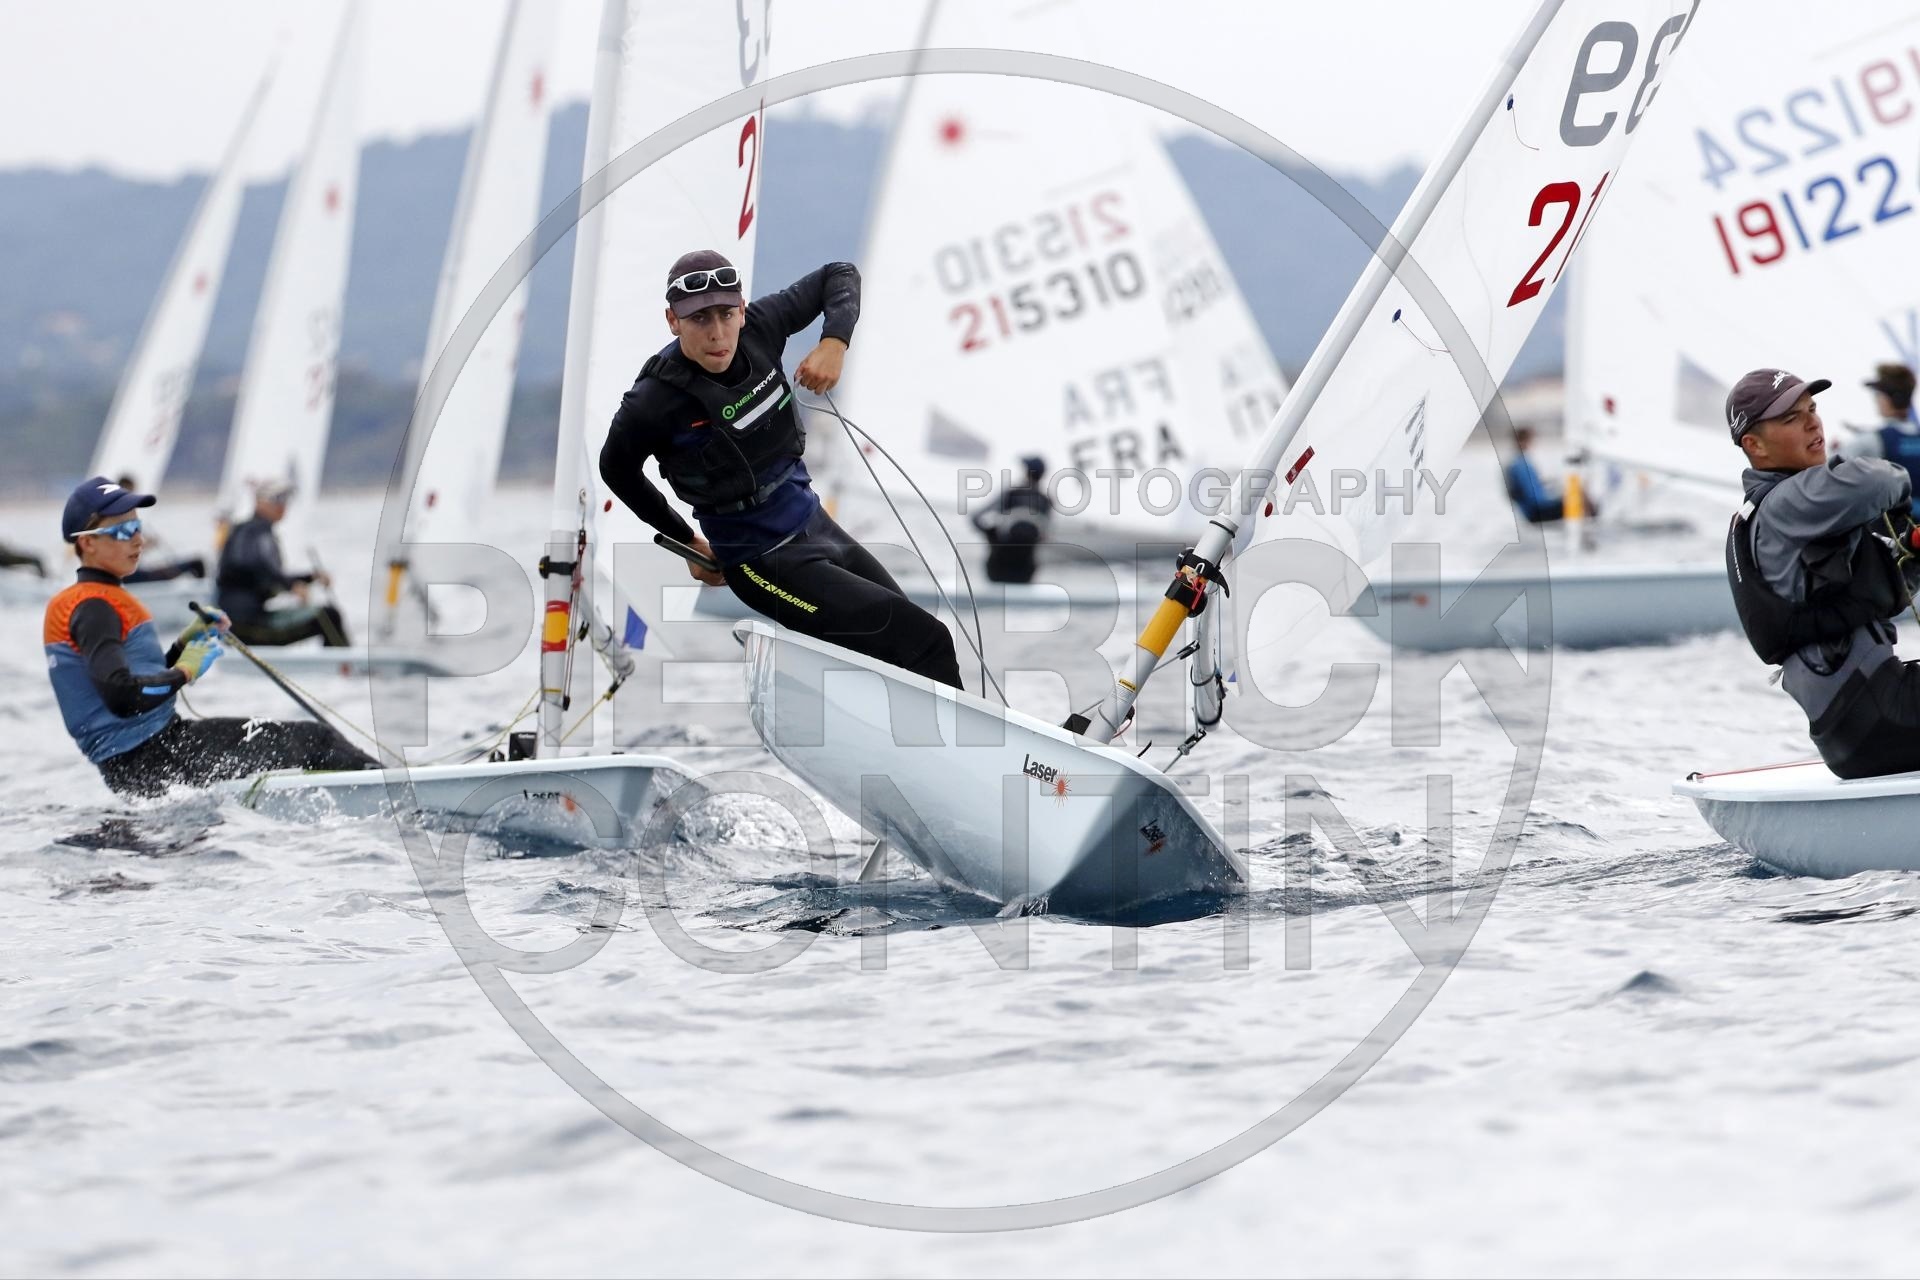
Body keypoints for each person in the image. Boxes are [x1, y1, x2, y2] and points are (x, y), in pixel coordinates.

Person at [599, 250, 962, 688]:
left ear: (742, 310)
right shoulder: (652, 401)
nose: (717, 333)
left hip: (816, 526)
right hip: (761, 561)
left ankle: (953, 730)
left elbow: (839, 274)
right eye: (698, 319)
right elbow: (615, 469)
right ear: (673, 321)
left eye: (726, 315)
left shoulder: (762, 326)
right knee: (927, 640)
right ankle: (964, 733)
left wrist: (834, 343)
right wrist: (685, 539)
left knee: (910, 650)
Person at [44, 476, 377, 798]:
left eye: (138, 527)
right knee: (317, 740)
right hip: (154, 755)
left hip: (143, 761)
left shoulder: (93, 600)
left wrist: (181, 647)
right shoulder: (94, 607)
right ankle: (392, 791)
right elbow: (121, 696)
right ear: (87, 543)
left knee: (304, 744)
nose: (138, 540)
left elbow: (128, 680)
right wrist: (184, 671)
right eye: (123, 531)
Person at [1722, 369, 1920, 780]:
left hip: (1856, 733)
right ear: (1754, 445)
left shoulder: (1775, 514)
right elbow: (1880, 480)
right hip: (1883, 718)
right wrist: (1899, 490)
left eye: (1812, 409)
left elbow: (1881, 594)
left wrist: (1911, 555)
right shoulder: (1789, 500)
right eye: (1792, 418)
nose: (1813, 423)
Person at [215, 480, 349, 647]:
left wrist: (311, 578)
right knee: (328, 616)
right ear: (259, 502)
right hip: (246, 625)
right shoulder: (256, 533)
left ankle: (339, 661)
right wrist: (291, 586)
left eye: (285, 499)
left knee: (327, 614)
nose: (282, 506)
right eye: (276, 499)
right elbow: (256, 567)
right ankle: (345, 663)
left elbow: (264, 572)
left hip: (242, 621)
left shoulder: (247, 530)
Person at [1834, 364, 1920, 513]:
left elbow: (1831, 472)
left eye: (1878, 394)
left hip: (1895, 524)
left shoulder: (1873, 440)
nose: (1876, 399)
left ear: (1888, 398)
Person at [972, 454, 1054, 584]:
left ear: (1026, 472)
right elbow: (1046, 535)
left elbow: (976, 517)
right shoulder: (1046, 501)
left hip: (998, 566)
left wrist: (991, 534)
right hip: (1026, 569)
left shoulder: (1010, 494)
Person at [113, 473, 206, 583]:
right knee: (196, 564)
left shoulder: (123, 518)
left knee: (194, 563)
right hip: (129, 575)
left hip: (133, 571)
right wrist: (148, 543)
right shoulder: (117, 518)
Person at [1503, 426, 1578, 524]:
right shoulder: (1519, 465)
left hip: (1534, 509)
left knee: (1572, 495)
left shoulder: (1517, 462)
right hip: (1536, 512)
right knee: (1578, 500)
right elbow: (1534, 497)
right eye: (1529, 440)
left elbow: (1532, 488)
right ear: (1522, 441)